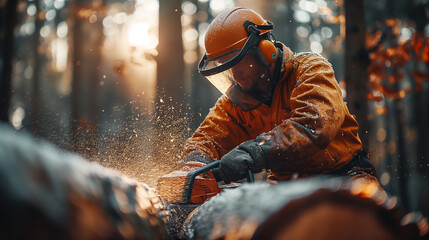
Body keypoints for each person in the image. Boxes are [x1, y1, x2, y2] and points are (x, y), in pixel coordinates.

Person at [180, 7, 378, 184]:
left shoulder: (310, 69)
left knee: (368, 216)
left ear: (265, 51)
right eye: (228, 68)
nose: (235, 75)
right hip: (284, 186)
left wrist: (256, 151)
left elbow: (314, 125)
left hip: (343, 176)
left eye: (239, 63)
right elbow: (206, 139)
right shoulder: (235, 103)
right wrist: (195, 165)